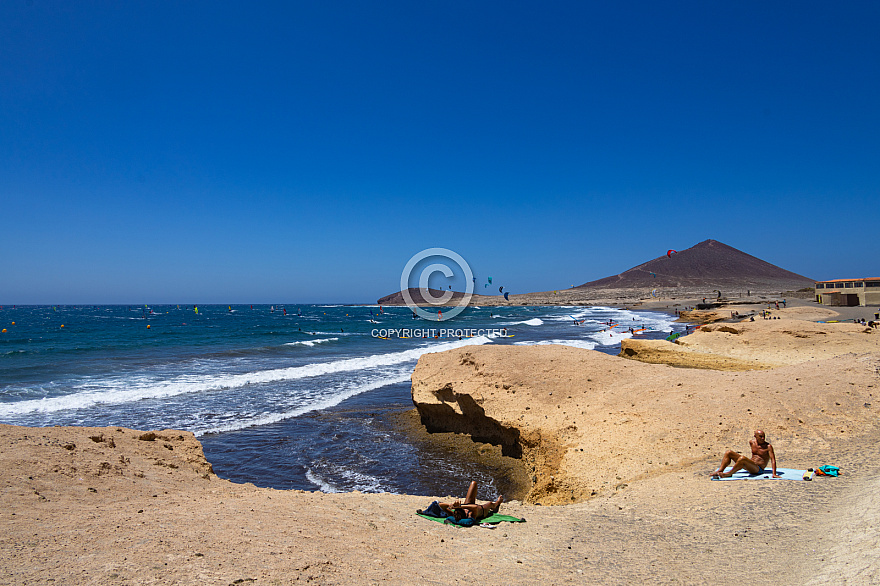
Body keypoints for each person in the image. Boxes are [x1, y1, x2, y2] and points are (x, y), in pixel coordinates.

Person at [712, 430, 779, 478]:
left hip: (758, 469)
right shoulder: (752, 443)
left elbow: (773, 460)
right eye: (760, 436)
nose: (763, 438)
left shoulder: (768, 446)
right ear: (755, 436)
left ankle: (729, 474)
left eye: (764, 436)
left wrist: (774, 474)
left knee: (742, 458)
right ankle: (720, 470)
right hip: (750, 465)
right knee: (729, 452)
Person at [435, 481, 504, 521]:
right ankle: (497, 503)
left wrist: (451, 505)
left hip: (467, 504)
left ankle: (496, 504)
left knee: (473, 483)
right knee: (491, 504)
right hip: (483, 510)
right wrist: (459, 506)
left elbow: (440, 505)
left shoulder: (454, 513)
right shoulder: (470, 515)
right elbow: (475, 507)